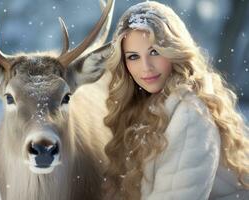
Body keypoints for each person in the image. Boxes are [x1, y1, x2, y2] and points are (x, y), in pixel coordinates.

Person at [102, 1, 249, 200]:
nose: (146, 67)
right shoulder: (141, 105)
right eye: (133, 56)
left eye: (154, 52)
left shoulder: (190, 113)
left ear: (174, 51)